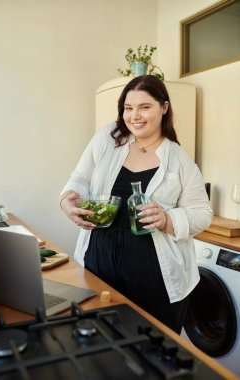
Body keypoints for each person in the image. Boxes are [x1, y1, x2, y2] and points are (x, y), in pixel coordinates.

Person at [60, 75, 212, 334]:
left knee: (151, 356)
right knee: (97, 346)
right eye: (128, 108)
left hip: (154, 278)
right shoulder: (108, 137)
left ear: (164, 108)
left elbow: (202, 213)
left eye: (145, 107)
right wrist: (68, 199)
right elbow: (80, 178)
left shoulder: (179, 159)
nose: (135, 116)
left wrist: (167, 220)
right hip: (99, 265)